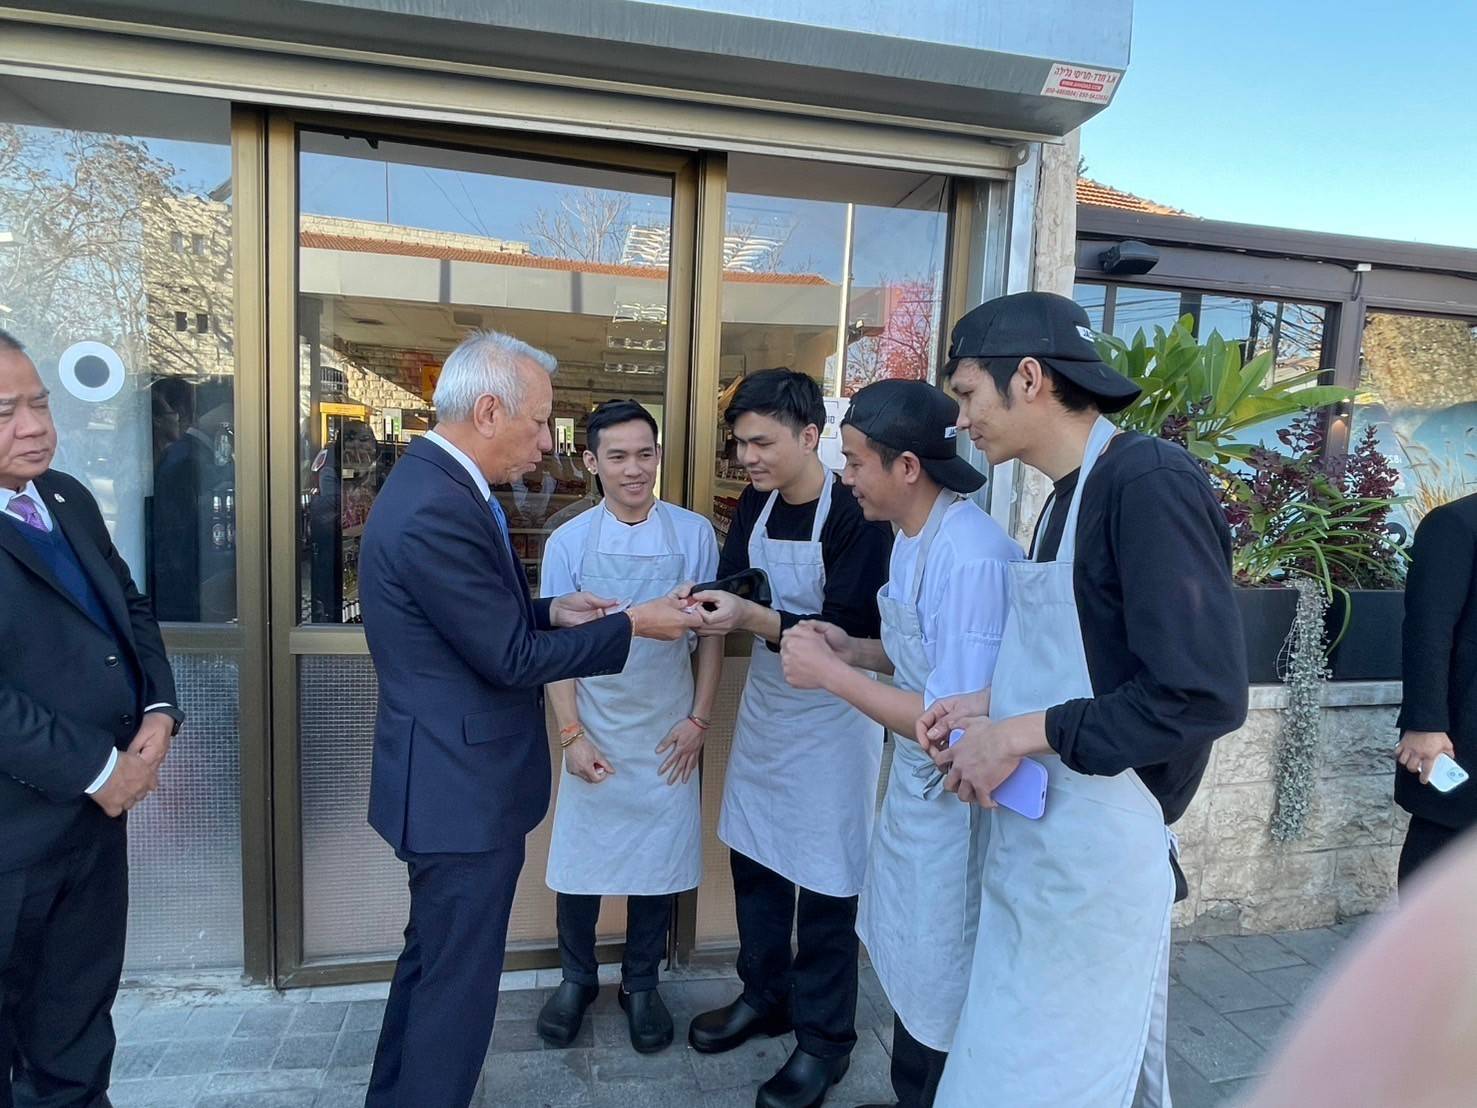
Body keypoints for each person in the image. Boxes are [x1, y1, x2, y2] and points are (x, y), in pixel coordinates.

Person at [916, 292, 1249, 1107]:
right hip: (1041, 846)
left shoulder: (1147, 482)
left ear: (1027, 378)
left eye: (966, 393)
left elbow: (1200, 695)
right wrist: (987, 705)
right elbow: (1095, 661)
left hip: (1098, 858)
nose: (959, 420)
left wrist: (1013, 735)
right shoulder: (1063, 497)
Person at [359, 331, 701, 1108]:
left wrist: (550, 610)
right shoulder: (436, 506)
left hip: (449, 781)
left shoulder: (439, 486)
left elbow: (474, 621)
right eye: (541, 421)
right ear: (488, 411)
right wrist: (633, 624)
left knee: (433, 967)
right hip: (456, 790)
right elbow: (508, 660)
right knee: (455, 991)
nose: (548, 442)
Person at [778, 379, 1020, 1108]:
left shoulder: (972, 556)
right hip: (916, 797)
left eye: (855, 461)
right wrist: (851, 649)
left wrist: (830, 676)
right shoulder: (913, 539)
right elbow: (920, 655)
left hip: (957, 802)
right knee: (911, 966)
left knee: (941, 975)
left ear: (907, 467)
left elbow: (953, 724)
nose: (845, 475)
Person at [685, 368, 892, 1108]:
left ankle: (825, 1041)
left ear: (810, 436)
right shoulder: (755, 502)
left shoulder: (855, 515)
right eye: (740, 443)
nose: (747, 457)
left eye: (762, 442)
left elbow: (851, 634)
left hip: (836, 719)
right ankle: (763, 995)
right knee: (756, 860)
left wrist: (752, 620)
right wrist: (709, 601)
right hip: (771, 709)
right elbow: (740, 581)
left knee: (828, 884)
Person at [0, 330, 183, 1107]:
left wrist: (159, 706)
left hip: (91, 834)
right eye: (5, 412)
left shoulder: (66, 497)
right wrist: (102, 769)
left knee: (75, 1037)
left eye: (39, 404)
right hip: (14, 838)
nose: (34, 427)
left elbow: (127, 606)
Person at [536, 400, 722, 1053]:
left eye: (645, 454)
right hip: (594, 723)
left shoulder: (694, 534)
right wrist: (571, 733)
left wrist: (699, 719)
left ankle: (641, 982)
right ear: (592, 461)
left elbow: (710, 638)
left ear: (658, 455)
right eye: (617, 456)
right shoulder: (568, 541)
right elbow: (556, 650)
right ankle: (577, 978)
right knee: (580, 861)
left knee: (658, 863)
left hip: (667, 727)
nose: (634, 469)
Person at [1393, 491, 1477, 884]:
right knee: (1440, 856)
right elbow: (1427, 629)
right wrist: (1425, 724)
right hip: (1464, 736)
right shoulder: (1456, 523)